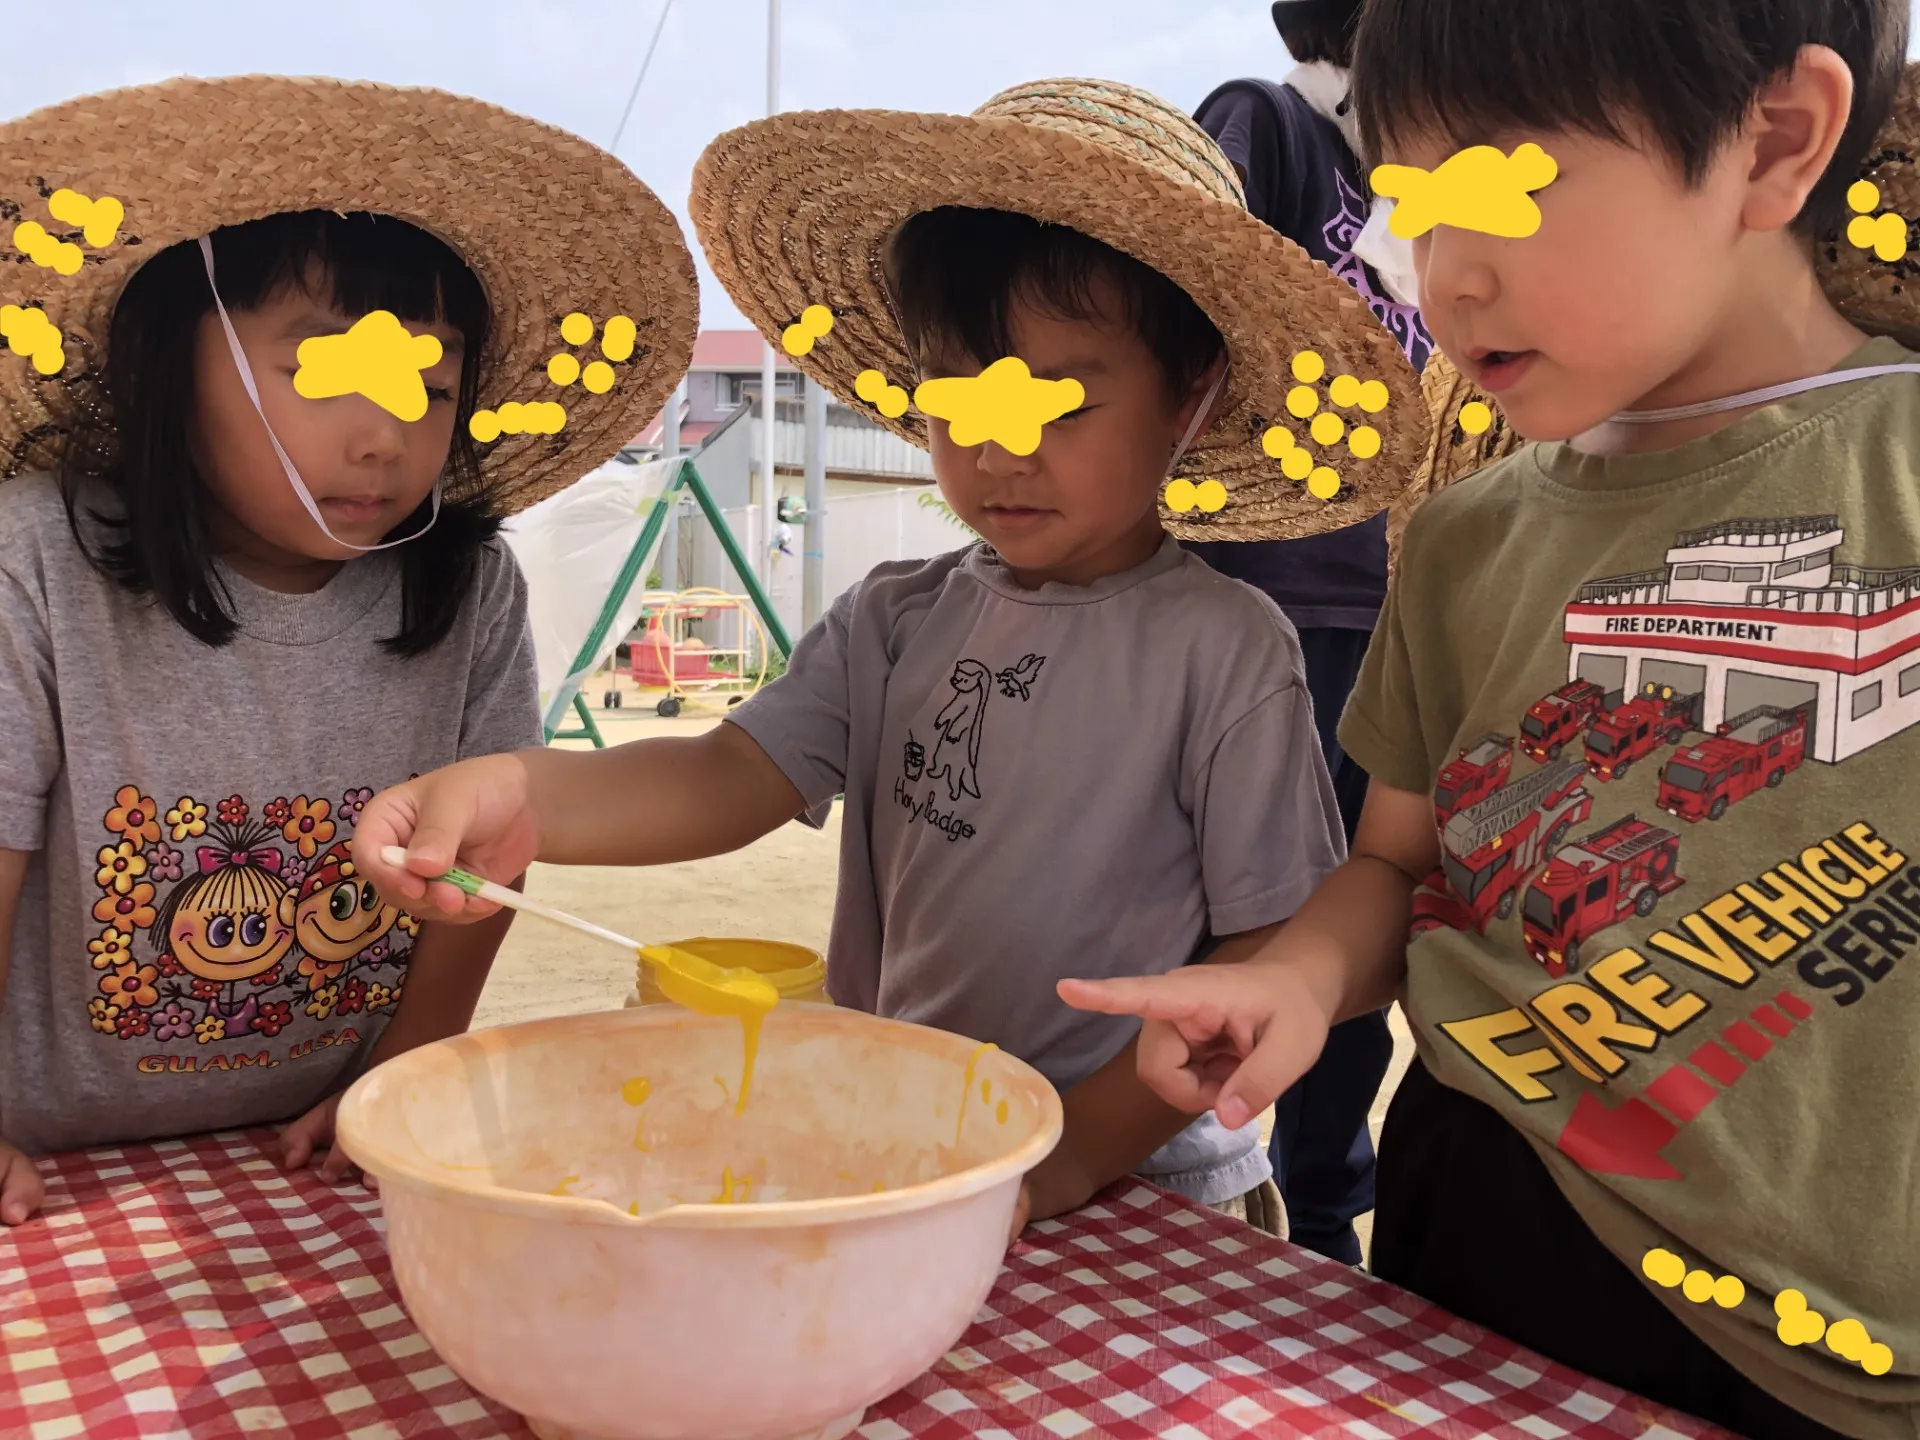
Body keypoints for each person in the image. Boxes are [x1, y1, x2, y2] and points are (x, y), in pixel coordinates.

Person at [356, 78, 1426, 1236]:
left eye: (1057, 402)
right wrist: (525, 792)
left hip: (1145, 1185)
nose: (999, 450)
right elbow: (725, 779)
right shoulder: (893, 622)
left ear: (1190, 397)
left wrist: (1064, 1167)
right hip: (907, 1148)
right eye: (961, 397)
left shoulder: (1225, 649)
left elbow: (1266, 943)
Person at [1064, 1, 1920, 1435]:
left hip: (1849, 1333)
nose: (1443, 276)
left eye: (1498, 190)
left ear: (1774, 144)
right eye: (1411, 203)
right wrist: (1292, 983)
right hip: (1478, 1248)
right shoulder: (1462, 538)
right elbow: (1398, 870)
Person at [0, 76, 699, 1225]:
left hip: (317, 1145)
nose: (385, 436)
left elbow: (491, 859)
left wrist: (405, 1069)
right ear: (174, 369)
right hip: (59, 1169)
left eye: (429, 385)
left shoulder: (467, 588)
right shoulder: (37, 560)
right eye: (327, 374)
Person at [1179, 0, 1433, 1267]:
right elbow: (1178, 288)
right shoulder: (1269, 126)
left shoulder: (1419, 181)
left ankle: (1325, 1221)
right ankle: (1179, 1198)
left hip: (1379, 606)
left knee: (1351, 934)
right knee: (1225, 921)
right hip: (1259, 594)